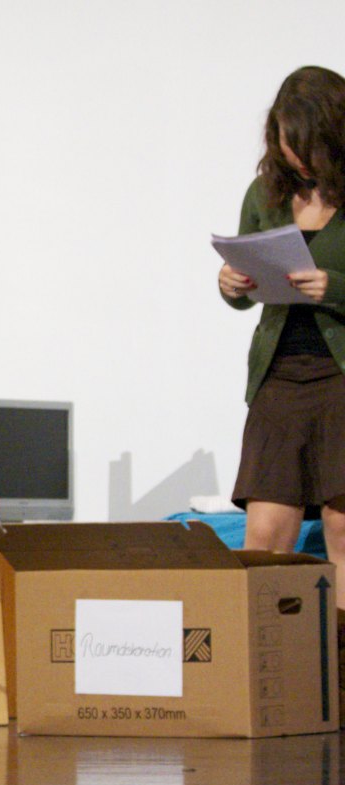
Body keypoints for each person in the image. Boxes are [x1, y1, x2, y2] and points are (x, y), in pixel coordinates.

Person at [219, 66, 345, 599]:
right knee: (266, 536)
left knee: (342, 530)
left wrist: (335, 286)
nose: (295, 155)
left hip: (340, 377)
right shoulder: (265, 193)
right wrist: (232, 284)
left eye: (304, 143)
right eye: (285, 141)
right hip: (280, 375)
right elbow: (246, 280)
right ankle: (270, 648)